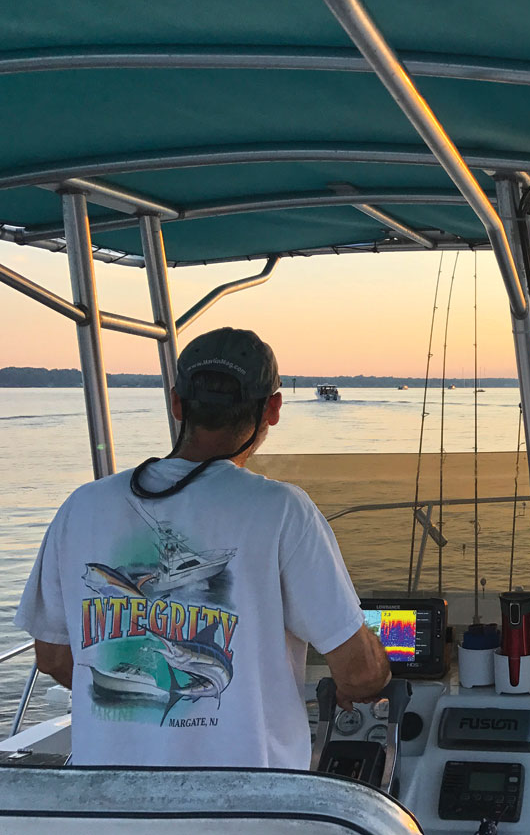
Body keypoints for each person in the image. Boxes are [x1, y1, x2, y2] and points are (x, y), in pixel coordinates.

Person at [14, 327, 390, 768]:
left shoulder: (82, 506)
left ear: (177, 403)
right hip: (248, 809)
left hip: (107, 810)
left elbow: (54, 655)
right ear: (273, 408)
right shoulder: (282, 510)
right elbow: (360, 672)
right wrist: (360, 682)